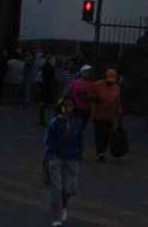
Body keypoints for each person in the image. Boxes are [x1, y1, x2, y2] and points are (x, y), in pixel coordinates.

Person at [44, 95, 82, 227]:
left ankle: (65, 206)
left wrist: (79, 155)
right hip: (57, 158)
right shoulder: (55, 122)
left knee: (70, 188)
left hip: (72, 158)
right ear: (61, 107)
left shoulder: (77, 122)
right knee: (56, 189)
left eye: (70, 105)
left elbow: (79, 140)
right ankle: (56, 218)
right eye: (65, 106)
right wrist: (49, 157)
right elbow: (48, 142)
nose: (67, 108)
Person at [90, 67, 123, 162]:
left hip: (110, 116)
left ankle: (102, 151)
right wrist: (95, 98)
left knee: (107, 135)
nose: (110, 82)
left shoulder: (117, 88)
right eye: (109, 80)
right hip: (98, 115)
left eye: (112, 80)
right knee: (99, 134)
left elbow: (118, 102)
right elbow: (90, 97)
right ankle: (100, 153)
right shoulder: (97, 85)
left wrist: (120, 114)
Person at [67, 64, 94, 131]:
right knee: (76, 125)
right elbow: (69, 93)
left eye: (89, 72)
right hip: (76, 107)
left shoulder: (92, 84)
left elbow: (94, 96)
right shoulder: (74, 82)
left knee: (82, 126)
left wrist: (89, 97)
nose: (87, 73)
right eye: (86, 71)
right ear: (82, 72)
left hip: (87, 109)